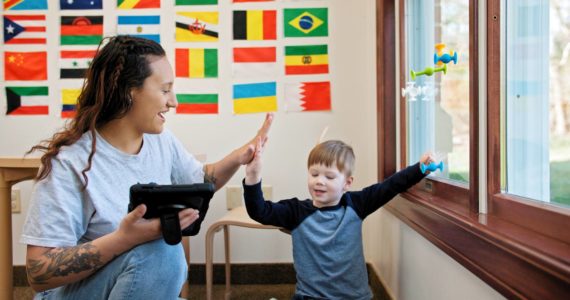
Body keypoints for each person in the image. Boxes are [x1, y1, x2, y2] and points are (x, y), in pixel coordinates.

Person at [21, 35, 273, 299]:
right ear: (129, 91)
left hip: (132, 286)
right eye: (165, 90)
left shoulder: (160, 140)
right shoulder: (69, 163)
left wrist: (240, 156)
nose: (173, 102)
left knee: (162, 250)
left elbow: (201, 179)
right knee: (162, 249)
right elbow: (39, 273)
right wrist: (125, 238)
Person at [243, 139, 432, 300]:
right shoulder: (296, 211)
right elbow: (259, 211)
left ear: (347, 183)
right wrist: (253, 177)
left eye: (329, 176)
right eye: (314, 174)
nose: (319, 181)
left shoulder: (357, 204)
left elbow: (390, 187)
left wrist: (420, 168)